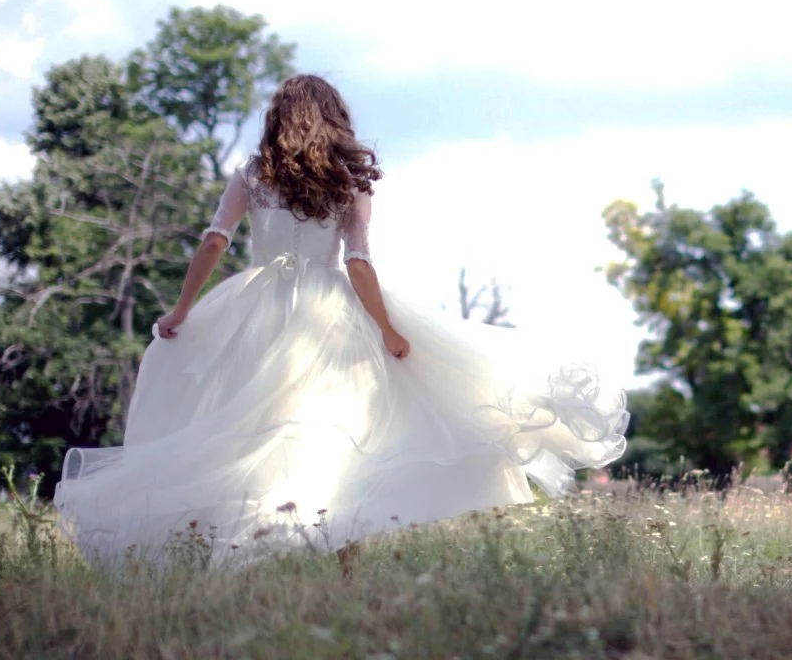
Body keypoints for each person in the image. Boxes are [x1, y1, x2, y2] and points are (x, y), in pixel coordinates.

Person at [53, 74, 629, 575]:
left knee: (243, 426)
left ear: (278, 120)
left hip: (253, 309)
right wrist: (387, 330)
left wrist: (180, 311)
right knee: (335, 431)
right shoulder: (348, 181)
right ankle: (335, 554)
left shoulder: (252, 174)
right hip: (327, 315)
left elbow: (213, 241)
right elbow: (357, 262)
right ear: (334, 119)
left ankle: (251, 543)